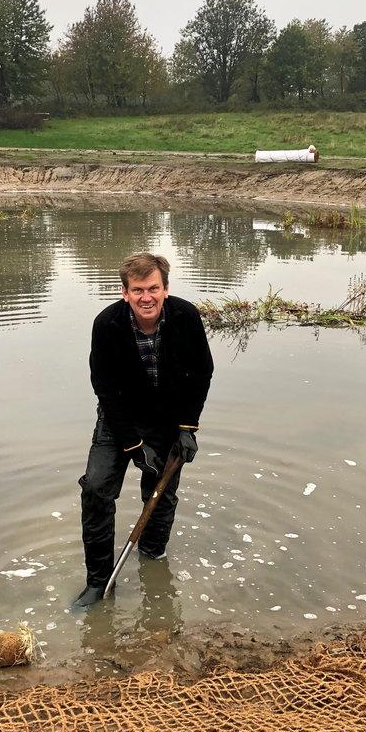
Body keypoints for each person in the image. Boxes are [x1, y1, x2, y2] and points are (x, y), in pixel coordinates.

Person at [73, 252, 214, 607]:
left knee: (160, 493)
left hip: (169, 420)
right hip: (118, 417)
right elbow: (103, 388)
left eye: (153, 288)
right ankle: (98, 581)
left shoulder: (186, 317)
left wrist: (187, 427)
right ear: (125, 293)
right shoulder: (106, 324)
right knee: (95, 490)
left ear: (166, 289)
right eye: (138, 290)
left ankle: (152, 559)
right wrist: (133, 446)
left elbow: (201, 373)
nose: (146, 297)